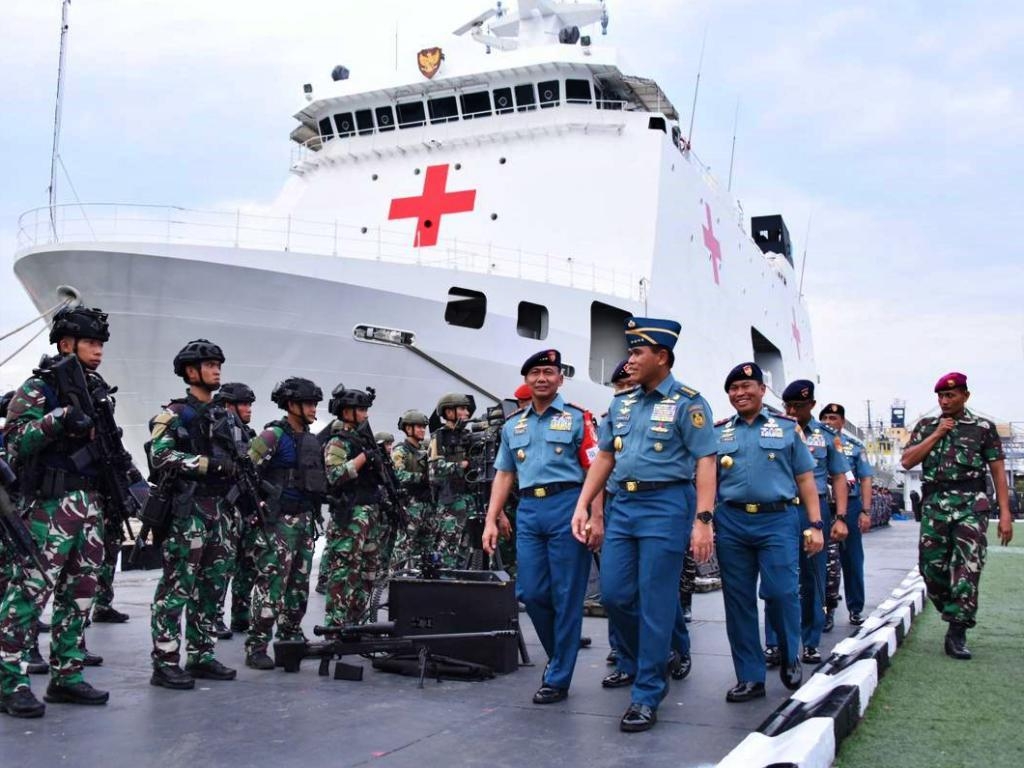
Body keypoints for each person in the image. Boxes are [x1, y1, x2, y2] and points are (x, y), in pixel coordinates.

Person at [573, 318, 716, 733]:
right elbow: (604, 457)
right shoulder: (622, 403)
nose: (629, 359)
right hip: (625, 505)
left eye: (637, 353)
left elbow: (706, 460)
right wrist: (583, 505)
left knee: (656, 600)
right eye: (631, 351)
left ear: (662, 357)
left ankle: (648, 691)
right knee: (616, 595)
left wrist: (703, 520)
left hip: (667, 503)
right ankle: (651, 660)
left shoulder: (690, 403)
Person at [0, 307, 116, 717]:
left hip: (87, 505)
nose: (99, 350)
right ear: (67, 344)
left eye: (101, 343)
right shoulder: (39, 388)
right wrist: (60, 419)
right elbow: (15, 442)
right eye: (91, 342)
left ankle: (67, 675)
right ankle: (7, 681)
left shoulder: (97, 391)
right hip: (49, 505)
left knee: (80, 594)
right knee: (27, 594)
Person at [482, 349, 598, 706]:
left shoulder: (579, 418)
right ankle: (559, 656)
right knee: (531, 593)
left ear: (560, 378)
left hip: (569, 505)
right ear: (526, 380)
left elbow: (596, 467)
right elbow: (504, 473)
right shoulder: (512, 425)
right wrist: (491, 517)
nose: (542, 378)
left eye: (549, 372)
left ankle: (558, 674)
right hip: (530, 509)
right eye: (535, 373)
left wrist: (595, 514)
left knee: (566, 595)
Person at [714, 362, 823, 703]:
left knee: (781, 592)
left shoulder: (786, 428)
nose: (741, 392)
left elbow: (806, 479)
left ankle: (790, 652)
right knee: (738, 601)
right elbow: (707, 480)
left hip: (778, 520)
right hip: (731, 521)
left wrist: (815, 525)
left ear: (763, 390)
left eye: (748, 386)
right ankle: (749, 676)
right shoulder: (718, 433)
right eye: (734, 388)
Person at [900, 372, 1013, 659]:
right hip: (935, 503)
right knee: (931, 568)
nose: (945, 400)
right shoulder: (926, 426)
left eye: (950, 395)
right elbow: (908, 460)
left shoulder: (982, 428)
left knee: (967, 566)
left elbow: (998, 471)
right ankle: (952, 609)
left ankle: (958, 629)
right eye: (940, 396)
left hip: (970, 504)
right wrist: (938, 433)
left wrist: (1005, 513)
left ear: (965, 395)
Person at [148, 339, 238, 690]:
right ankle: (166, 660)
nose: (217, 370)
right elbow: (159, 457)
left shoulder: (225, 416)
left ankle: (201, 654)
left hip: (220, 511)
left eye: (219, 364)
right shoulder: (173, 414)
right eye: (210, 364)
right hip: (189, 512)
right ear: (191, 371)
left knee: (213, 587)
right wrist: (206, 465)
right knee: (176, 588)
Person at [763, 380, 849, 665]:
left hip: (814, 511)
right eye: (787, 406)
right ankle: (774, 642)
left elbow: (838, 476)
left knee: (813, 576)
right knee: (777, 576)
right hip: (779, 509)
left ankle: (810, 641)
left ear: (812, 405)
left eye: (798, 406)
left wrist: (840, 518)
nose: (792, 411)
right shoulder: (773, 428)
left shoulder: (826, 436)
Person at [243, 378, 325, 670]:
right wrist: (261, 506)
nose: (314, 409)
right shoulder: (273, 436)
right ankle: (257, 644)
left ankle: (290, 635)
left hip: (304, 520)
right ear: (292, 405)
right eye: (309, 404)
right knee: (272, 584)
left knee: (299, 586)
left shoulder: (311, 439)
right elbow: (246, 472)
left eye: (315, 404)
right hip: (278, 522)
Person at [321, 386, 383, 627]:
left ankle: (356, 619)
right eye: (361, 410)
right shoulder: (338, 442)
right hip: (350, 517)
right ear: (347, 412)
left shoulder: (362, 440)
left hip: (369, 514)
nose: (366, 415)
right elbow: (334, 475)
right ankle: (334, 624)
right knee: (344, 571)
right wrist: (363, 458)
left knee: (368, 573)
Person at [820, 403, 874, 626]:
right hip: (823, 505)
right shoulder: (814, 444)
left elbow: (866, 479)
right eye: (825, 418)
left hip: (850, 506)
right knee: (822, 561)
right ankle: (825, 611)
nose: (828, 423)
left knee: (852, 558)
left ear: (842, 422)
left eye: (833, 418)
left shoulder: (854, 446)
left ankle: (855, 607)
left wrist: (865, 511)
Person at [212, 382, 259, 635]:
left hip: (245, 508)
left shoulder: (247, 435)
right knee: (222, 566)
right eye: (244, 404)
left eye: (250, 404)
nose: (248, 409)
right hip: (224, 507)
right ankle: (215, 617)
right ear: (228, 406)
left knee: (248, 564)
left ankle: (241, 614)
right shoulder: (218, 433)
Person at [428, 393, 477, 567]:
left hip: (467, 499)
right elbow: (434, 469)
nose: (467, 413)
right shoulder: (439, 437)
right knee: (446, 548)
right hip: (449, 501)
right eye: (462, 409)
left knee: (465, 548)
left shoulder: (468, 435)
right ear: (449, 412)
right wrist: (462, 465)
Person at [390, 410, 434, 569]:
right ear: (408, 429)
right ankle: (393, 579)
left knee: (427, 546)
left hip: (426, 504)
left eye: (424, 427)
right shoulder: (401, 450)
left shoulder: (425, 449)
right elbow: (397, 475)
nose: (423, 430)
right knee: (404, 545)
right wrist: (421, 478)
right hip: (410, 504)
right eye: (419, 427)